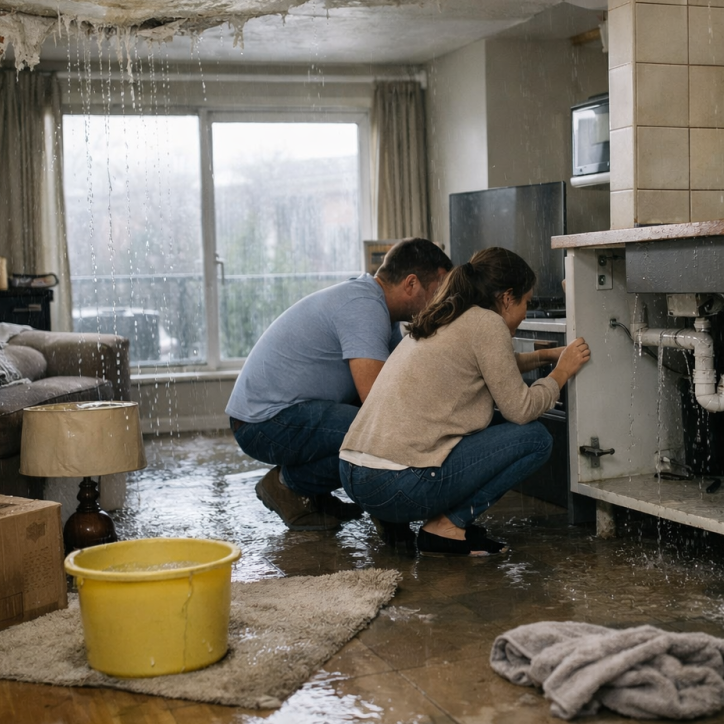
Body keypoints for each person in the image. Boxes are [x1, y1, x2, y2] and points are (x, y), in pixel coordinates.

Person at [338, 246, 591, 555]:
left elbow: (495, 367)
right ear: (507, 297)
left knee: (497, 423)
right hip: (396, 485)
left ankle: (406, 516)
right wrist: (561, 373)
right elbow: (521, 410)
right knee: (535, 438)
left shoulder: (448, 314)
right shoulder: (487, 323)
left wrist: (548, 356)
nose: (526, 312)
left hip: (355, 474)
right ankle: (446, 528)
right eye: (526, 301)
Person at [226, 237, 452, 531]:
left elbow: (405, 379)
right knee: (378, 435)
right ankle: (287, 485)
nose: (443, 300)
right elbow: (378, 400)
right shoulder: (364, 307)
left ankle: (314, 495)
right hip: (262, 424)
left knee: (382, 426)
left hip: (277, 414)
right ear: (411, 284)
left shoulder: (373, 305)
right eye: (439, 290)